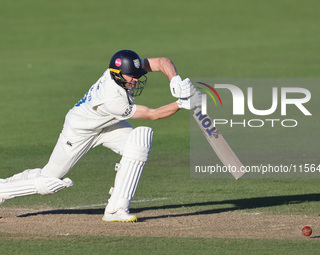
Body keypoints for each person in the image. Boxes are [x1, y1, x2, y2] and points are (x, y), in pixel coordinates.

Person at [0, 50, 201, 222]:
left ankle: (116, 209)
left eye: (137, 74)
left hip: (107, 123)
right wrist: (181, 103)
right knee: (49, 181)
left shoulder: (122, 72)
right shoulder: (112, 99)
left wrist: (174, 79)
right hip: (80, 130)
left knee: (138, 142)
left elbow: (161, 62)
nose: (137, 79)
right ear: (118, 75)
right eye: (132, 77)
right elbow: (152, 114)